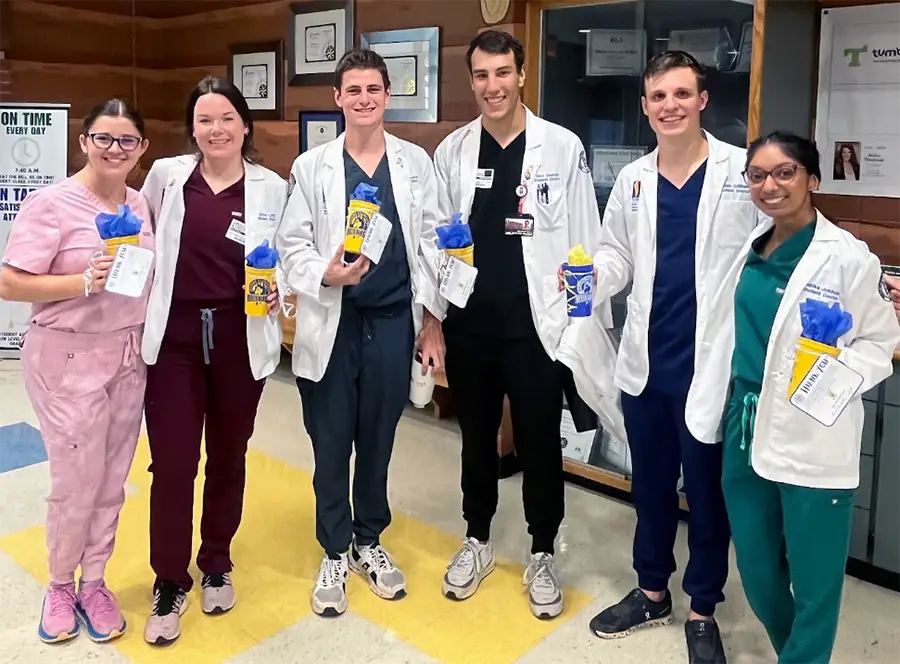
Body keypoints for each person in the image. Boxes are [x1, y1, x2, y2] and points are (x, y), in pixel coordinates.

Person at [583, 51, 762, 663]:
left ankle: (703, 608)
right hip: (648, 366)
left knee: (709, 497)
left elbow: (780, 242)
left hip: (712, 367)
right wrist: (586, 277)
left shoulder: (742, 173)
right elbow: (617, 258)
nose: (670, 106)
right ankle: (651, 588)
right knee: (652, 488)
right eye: (658, 97)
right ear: (645, 106)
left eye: (681, 94)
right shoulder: (633, 180)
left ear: (703, 100)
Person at [428, 29, 607, 620]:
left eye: (502, 73)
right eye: (480, 75)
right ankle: (476, 538)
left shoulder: (561, 146)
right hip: (471, 325)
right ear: (471, 80)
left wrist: (581, 326)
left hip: (538, 329)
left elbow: (583, 236)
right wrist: (432, 318)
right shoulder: (452, 150)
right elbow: (437, 238)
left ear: (521, 74)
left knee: (538, 445)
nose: (492, 86)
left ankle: (542, 550)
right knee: (475, 440)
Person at [701, 131, 900, 663]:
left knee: (815, 587)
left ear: (812, 180)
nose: (770, 185)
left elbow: (882, 341)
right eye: (758, 175)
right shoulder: (753, 249)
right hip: (745, 425)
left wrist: (831, 381)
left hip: (813, 434)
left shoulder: (847, 257)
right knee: (759, 572)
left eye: (785, 172)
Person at [275, 48, 444, 618]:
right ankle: (332, 548)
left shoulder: (416, 164)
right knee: (330, 441)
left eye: (374, 88)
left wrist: (433, 321)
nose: (364, 98)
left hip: (394, 320)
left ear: (387, 96)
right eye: (354, 89)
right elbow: (290, 243)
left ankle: (368, 540)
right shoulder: (312, 165)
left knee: (378, 439)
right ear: (338, 99)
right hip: (333, 319)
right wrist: (327, 272)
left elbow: (433, 246)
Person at [139, 75, 287, 645]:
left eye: (226, 118)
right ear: (191, 128)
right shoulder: (166, 178)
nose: (216, 130)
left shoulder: (271, 187)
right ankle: (170, 579)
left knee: (229, 456)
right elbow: (145, 243)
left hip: (238, 336)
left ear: (245, 125)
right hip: (174, 339)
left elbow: (287, 258)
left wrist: (280, 293)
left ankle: (216, 560)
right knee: (172, 465)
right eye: (204, 120)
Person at [0, 100, 153, 644]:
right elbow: (11, 283)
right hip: (67, 357)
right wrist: (82, 281)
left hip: (127, 356)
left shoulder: (141, 204)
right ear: (83, 141)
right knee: (76, 479)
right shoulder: (53, 204)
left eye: (126, 140)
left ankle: (96, 582)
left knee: (112, 479)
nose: (115, 149)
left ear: (142, 149)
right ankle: (60, 585)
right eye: (104, 138)